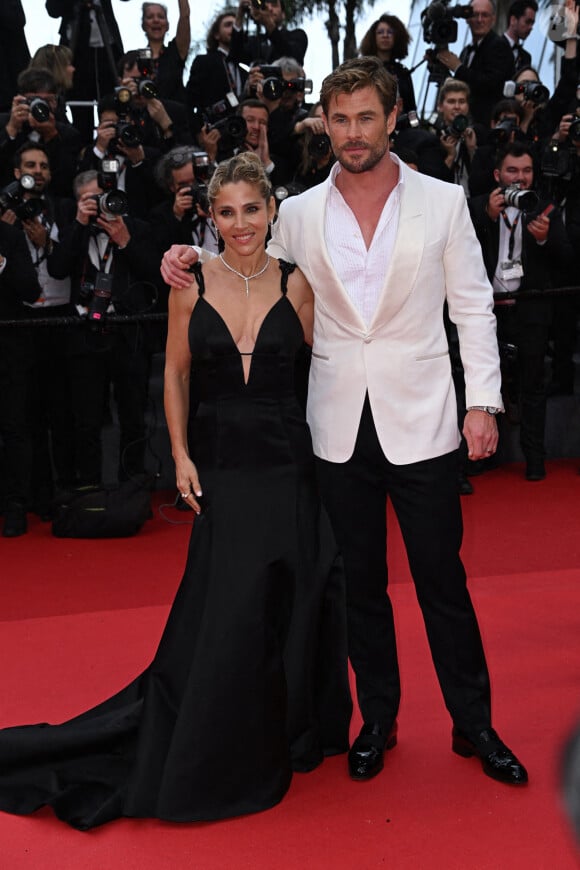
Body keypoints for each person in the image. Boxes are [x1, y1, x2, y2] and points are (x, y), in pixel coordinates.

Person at [162, 56, 529, 788]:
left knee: (440, 582)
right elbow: (250, 266)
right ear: (324, 124)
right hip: (332, 426)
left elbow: (472, 307)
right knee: (358, 585)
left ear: (394, 118)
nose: (354, 133)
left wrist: (482, 402)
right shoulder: (295, 213)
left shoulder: (443, 202)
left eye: (367, 117)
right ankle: (378, 720)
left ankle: (474, 724)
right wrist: (187, 257)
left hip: (424, 420)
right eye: (340, 119)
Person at [0, 151, 351, 829]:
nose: (241, 223)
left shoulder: (299, 282)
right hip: (221, 462)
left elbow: (328, 369)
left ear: (272, 211)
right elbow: (176, 375)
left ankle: (290, 725)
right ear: (209, 217)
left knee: (293, 589)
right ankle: (218, 724)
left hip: (288, 463)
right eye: (227, 211)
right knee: (228, 602)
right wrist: (181, 454)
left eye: (253, 209)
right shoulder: (189, 282)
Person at [468, 142, 574, 480]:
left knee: (533, 383)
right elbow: (460, 253)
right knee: (487, 384)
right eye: (513, 171)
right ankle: (485, 457)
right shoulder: (476, 207)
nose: (520, 178)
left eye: (526, 171)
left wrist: (545, 240)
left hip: (530, 308)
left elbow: (568, 261)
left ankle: (535, 459)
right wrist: (486, 217)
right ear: (499, 174)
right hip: (488, 312)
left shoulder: (544, 207)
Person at [437, 0, 514, 125]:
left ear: (493, 19)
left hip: (487, 124)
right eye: (475, 15)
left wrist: (458, 68)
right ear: (467, 19)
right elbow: (461, 87)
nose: (479, 20)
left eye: (485, 15)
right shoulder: (466, 51)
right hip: (466, 123)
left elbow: (490, 83)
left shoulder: (499, 45)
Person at [359, 13, 416, 114]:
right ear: (373, 37)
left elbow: (411, 108)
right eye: (380, 32)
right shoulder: (364, 70)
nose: (385, 35)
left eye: (390, 32)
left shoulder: (403, 72)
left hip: (402, 126)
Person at [141, 1, 190, 103]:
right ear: (143, 25)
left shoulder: (175, 52)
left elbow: (184, 15)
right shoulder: (134, 58)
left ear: (167, 25)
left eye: (161, 17)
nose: (156, 20)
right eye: (150, 17)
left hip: (175, 116)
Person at [501, 0, 537, 73]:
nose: (531, 27)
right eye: (527, 22)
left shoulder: (526, 57)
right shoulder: (493, 47)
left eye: (532, 23)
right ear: (513, 20)